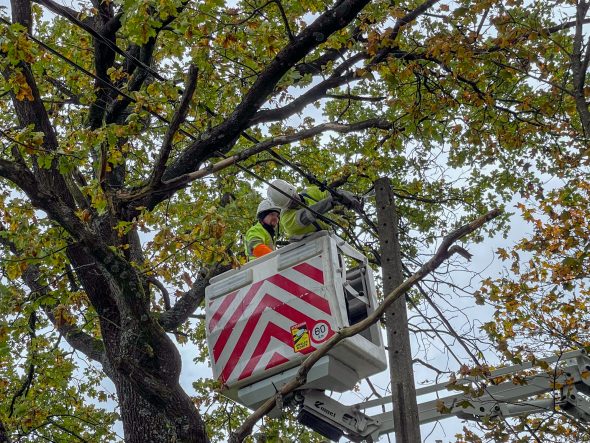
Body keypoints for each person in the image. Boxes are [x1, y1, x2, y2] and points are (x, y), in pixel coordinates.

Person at [267, 179, 361, 240]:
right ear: (284, 207)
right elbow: (307, 215)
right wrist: (331, 201)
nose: (294, 202)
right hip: (307, 250)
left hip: (328, 239)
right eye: (290, 203)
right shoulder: (286, 219)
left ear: (294, 190)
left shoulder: (309, 192)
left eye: (293, 197)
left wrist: (348, 196)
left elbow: (330, 193)